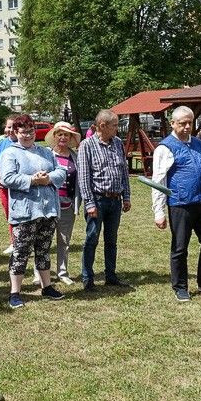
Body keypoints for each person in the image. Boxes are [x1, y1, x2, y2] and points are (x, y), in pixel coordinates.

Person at [151, 106, 201, 302]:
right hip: (180, 203)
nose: (187, 126)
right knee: (180, 247)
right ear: (173, 123)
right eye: (182, 123)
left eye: (190, 122)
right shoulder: (165, 148)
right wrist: (159, 211)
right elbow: (159, 181)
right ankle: (180, 286)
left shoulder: (200, 144)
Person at [0, 114, 67, 308]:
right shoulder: (10, 153)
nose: (27, 135)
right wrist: (32, 180)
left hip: (48, 210)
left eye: (30, 131)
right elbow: (7, 178)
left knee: (44, 249)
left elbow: (60, 172)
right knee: (21, 251)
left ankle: (47, 287)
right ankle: (15, 293)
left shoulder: (46, 152)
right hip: (25, 212)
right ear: (16, 132)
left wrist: (48, 178)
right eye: (23, 132)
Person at [77, 108, 131, 290]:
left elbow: (124, 171)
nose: (117, 128)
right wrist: (90, 203)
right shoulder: (87, 145)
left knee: (111, 240)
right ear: (103, 125)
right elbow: (84, 178)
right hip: (97, 201)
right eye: (115, 125)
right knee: (91, 239)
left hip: (115, 201)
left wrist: (126, 197)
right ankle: (88, 278)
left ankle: (111, 275)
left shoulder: (117, 143)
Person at [42, 121, 81, 285]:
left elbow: (79, 181)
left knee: (64, 241)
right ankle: (40, 272)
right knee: (43, 240)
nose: (63, 137)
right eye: (60, 134)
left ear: (70, 137)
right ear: (55, 136)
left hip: (67, 205)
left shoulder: (75, 157)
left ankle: (62, 272)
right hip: (47, 205)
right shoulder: (46, 154)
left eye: (66, 134)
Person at [0, 114, 18, 254]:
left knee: (20, 215)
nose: (10, 130)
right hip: (4, 187)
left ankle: (21, 242)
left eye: (14, 127)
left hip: (18, 188)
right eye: (8, 127)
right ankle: (14, 242)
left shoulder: (23, 142)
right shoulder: (2, 143)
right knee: (9, 215)